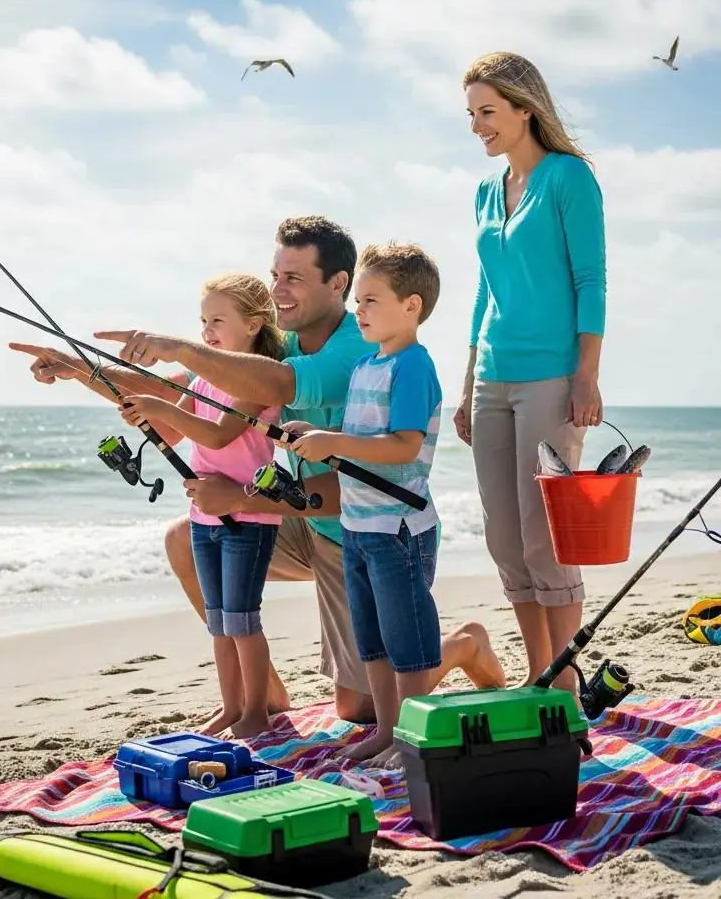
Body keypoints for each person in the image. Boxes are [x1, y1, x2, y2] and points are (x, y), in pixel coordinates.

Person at [75, 216, 505, 722]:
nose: (276, 290)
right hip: (304, 520)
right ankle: (262, 693)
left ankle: (461, 646)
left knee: (359, 707)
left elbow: (329, 455)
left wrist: (240, 498)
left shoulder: (365, 351)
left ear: (338, 284)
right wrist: (77, 368)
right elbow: (177, 388)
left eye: (293, 278)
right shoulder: (280, 338)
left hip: (359, 531)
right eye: (275, 275)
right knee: (184, 538)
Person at [456, 52, 608, 694]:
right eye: (470, 115)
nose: (477, 127)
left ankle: (564, 678)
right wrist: (467, 382)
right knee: (504, 534)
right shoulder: (486, 192)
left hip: (551, 375)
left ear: (525, 109)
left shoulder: (569, 179)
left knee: (545, 532)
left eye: (487, 112)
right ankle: (536, 671)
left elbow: (590, 279)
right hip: (494, 375)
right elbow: (484, 293)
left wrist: (585, 375)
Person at [288, 243, 445, 765]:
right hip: (357, 525)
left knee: (408, 639)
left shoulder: (413, 367)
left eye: (371, 300)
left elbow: (402, 446)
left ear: (412, 306)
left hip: (398, 529)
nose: (359, 310)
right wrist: (317, 433)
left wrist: (333, 442)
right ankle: (388, 729)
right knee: (372, 640)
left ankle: (414, 737)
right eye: (358, 300)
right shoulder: (365, 366)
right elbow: (358, 439)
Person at [115, 273, 285, 739]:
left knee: (242, 619)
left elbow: (216, 434)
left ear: (252, 325)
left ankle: (256, 711)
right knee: (219, 622)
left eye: (217, 320)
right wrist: (145, 411)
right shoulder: (203, 382)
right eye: (202, 320)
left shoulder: (258, 378)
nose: (206, 330)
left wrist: (163, 408)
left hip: (248, 515)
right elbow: (178, 426)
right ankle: (232, 707)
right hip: (204, 515)